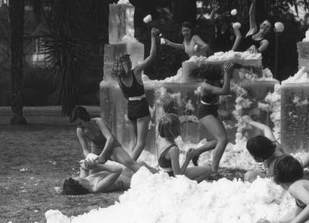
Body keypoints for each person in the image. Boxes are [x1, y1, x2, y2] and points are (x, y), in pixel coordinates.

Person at [111, 27, 159, 161]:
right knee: (141, 143)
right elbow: (152, 56)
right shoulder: (136, 71)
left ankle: (129, 162)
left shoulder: (119, 79)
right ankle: (128, 166)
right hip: (141, 107)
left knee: (136, 141)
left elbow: (126, 96)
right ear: (127, 63)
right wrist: (153, 38)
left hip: (130, 108)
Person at [69, 106, 152, 174]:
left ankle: (154, 175)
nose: (79, 126)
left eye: (80, 123)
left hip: (112, 147)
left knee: (129, 163)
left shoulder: (98, 122)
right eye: (76, 125)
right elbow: (85, 150)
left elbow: (110, 139)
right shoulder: (80, 130)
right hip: (97, 151)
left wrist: (103, 155)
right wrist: (89, 157)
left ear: (85, 118)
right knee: (91, 174)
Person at [186, 61, 234, 176]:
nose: (222, 76)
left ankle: (197, 152)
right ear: (213, 77)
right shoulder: (205, 86)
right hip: (205, 112)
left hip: (213, 110)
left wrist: (228, 70)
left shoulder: (215, 81)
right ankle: (213, 171)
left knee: (222, 140)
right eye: (220, 75)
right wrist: (227, 73)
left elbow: (226, 84)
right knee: (222, 139)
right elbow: (225, 91)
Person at [156, 113, 212, 182]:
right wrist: (188, 159)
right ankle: (193, 184)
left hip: (163, 172)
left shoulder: (159, 139)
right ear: (176, 130)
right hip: (170, 177)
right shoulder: (173, 149)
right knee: (208, 169)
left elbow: (165, 156)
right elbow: (178, 176)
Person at [243, 116, 286, 182]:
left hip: (279, 178)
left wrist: (267, 172)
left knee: (249, 176)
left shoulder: (278, 161)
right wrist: (250, 122)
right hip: (275, 173)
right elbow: (266, 128)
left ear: (258, 156)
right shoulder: (271, 144)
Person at [62, 166, 134, 195]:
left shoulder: (85, 180)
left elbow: (83, 168)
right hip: (130, 179)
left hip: (126, 172)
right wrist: (99, 166)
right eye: (73, 178)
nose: (74, 176)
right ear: (79, 183)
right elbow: (118, 170)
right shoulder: (98, 187)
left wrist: (87, 164)